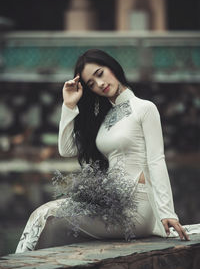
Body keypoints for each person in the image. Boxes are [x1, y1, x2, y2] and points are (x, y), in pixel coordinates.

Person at [16, 49, 190, 253]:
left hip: (137, 209)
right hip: (110, 205)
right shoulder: (105, 118)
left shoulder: (144, 108)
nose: (99, 84)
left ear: (112, 67)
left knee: (47, 215)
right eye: (91, 84)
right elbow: (66, 149)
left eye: (99, 74)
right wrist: (69, 105)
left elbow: (156, 160)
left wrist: (168, 213)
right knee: (46, 218)